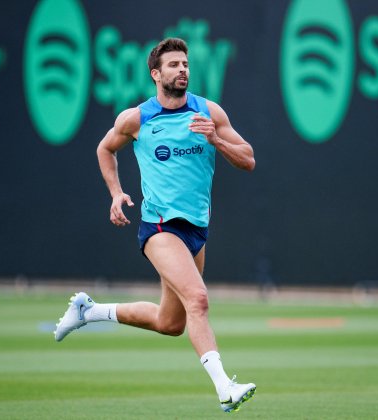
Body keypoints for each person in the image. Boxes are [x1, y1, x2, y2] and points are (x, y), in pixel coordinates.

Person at [54, 37, 256, 413]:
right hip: (160, 228)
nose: (182, 70)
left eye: (185, 64)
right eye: (174, 64)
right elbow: (105, 148)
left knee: (170, 323)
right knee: (198, 299)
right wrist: (115, 193)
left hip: (196, 231)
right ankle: (224, 387)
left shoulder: (208, 112)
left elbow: (248, 159)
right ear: (156, 74)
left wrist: (215, 139)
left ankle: (90, 312)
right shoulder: (137, 119)